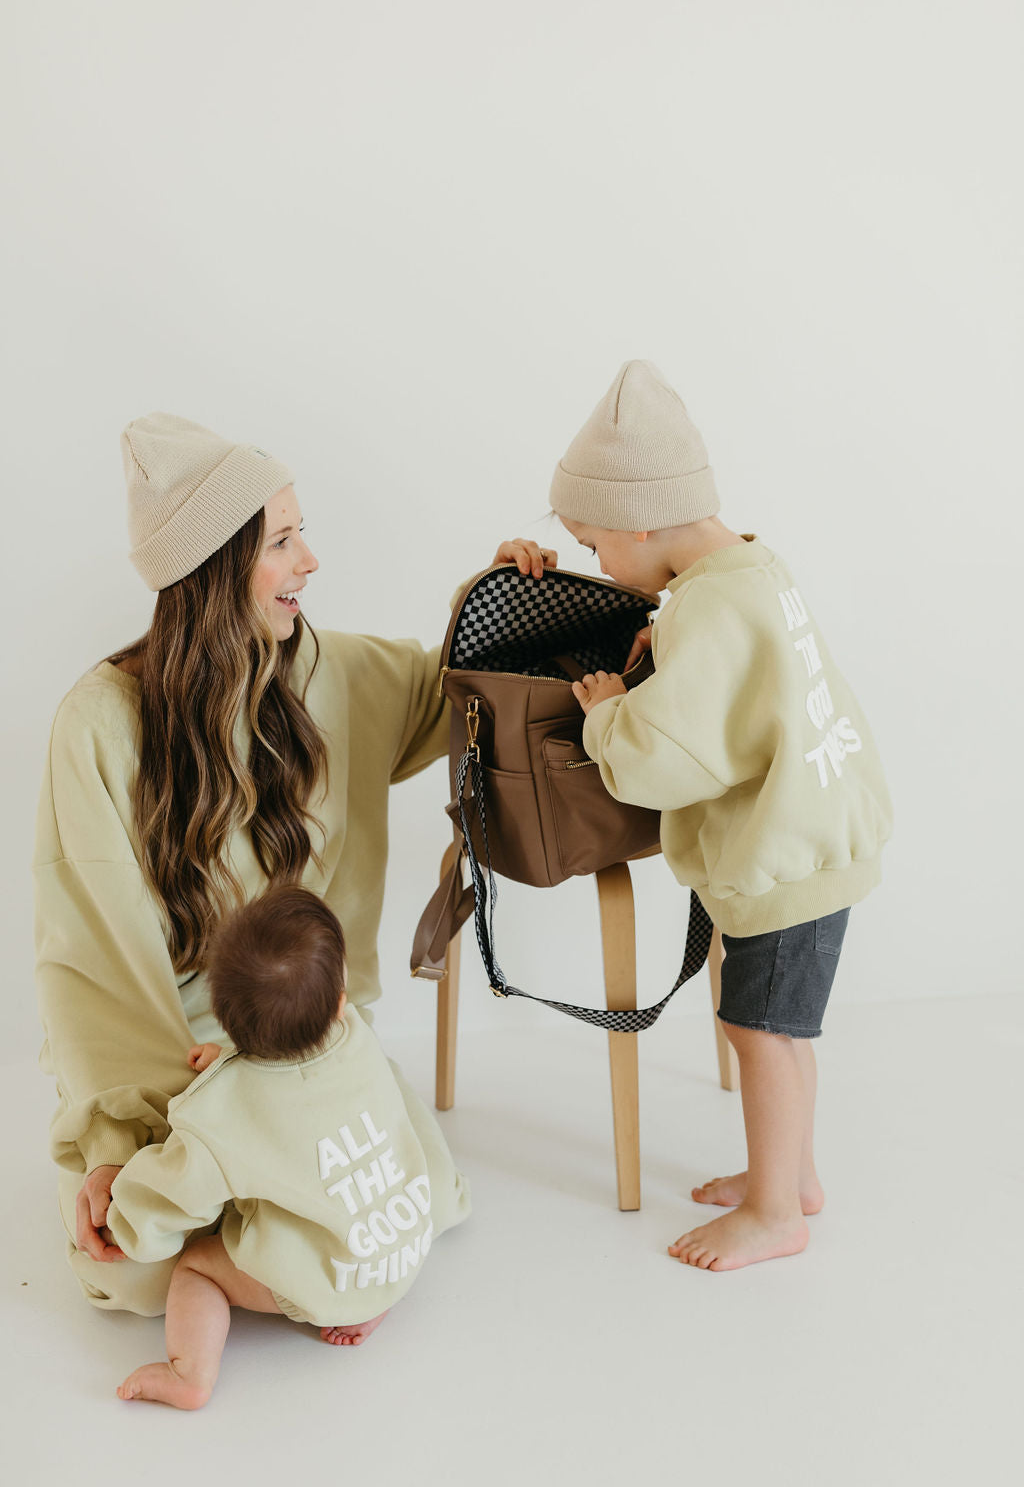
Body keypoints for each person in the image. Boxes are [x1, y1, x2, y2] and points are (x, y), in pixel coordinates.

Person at [33, 410, 551, 1315]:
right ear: (213, 567)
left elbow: (457, 689)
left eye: (300, 533)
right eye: (282, 540)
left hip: (314, 1039)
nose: (310, 560)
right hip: (181, 1060)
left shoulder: (328, 672)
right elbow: (94, 963)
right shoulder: (98, 726)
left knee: (335, 1221)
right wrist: (117, 1145)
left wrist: (506, 593)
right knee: (127, 1266)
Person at [548, 360, 892, 1272]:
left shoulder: (708, 608)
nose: (600, 567)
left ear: (639, 519)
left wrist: (606, 711)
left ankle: (778, 1210)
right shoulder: (751, 568)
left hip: (788, 859)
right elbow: (747, 689)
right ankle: (792, 1176)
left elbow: (666, 757)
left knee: (759, 1031)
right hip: (821, 840)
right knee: (782, 1028)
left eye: (593, 547)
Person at [95, 884, 469, 1409]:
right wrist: (230, 1058)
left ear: (225, 1017)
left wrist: (124, 1214)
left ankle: (190, 1373)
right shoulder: (357, 1039)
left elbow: (174, 1191)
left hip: (317, 1284)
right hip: (402, 1253)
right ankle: (369, 1302)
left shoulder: (223, 1113)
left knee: (199, 1268)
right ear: (339, 1003)